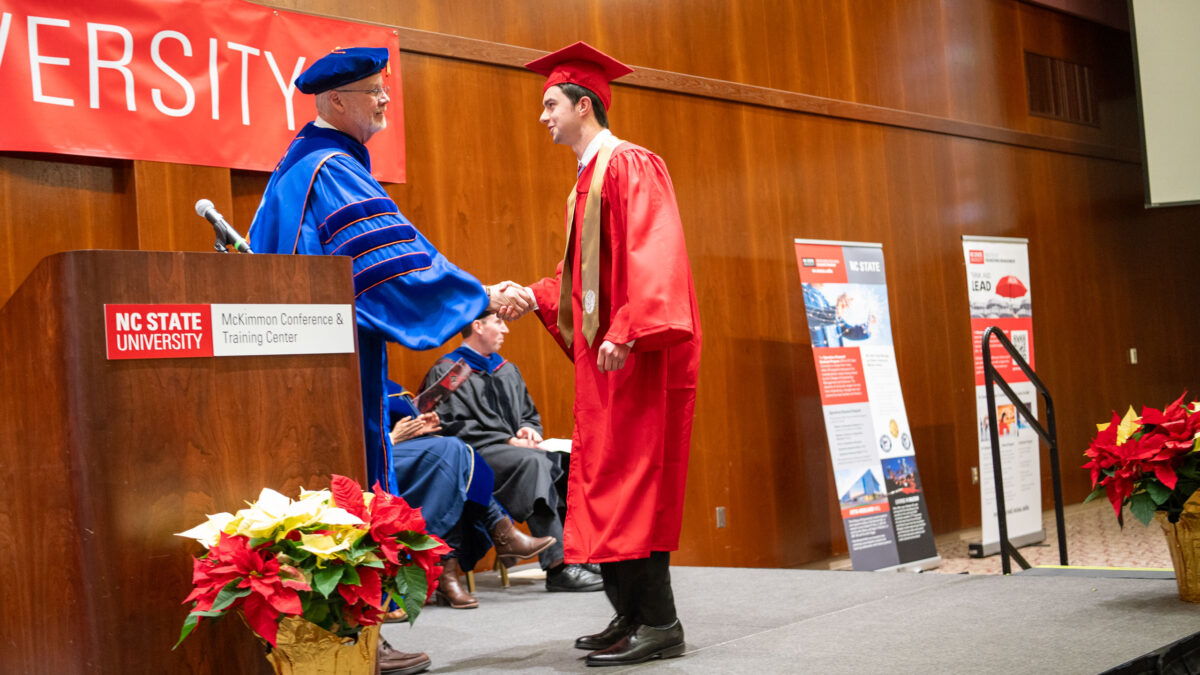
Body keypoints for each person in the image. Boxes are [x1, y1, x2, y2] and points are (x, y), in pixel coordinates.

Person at [246, 47, 531, 675]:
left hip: (306, 367)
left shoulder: (298, 170)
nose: (384, 101)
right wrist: (481, 295)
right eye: (374, 91)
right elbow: (394, 265)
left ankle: (340, 641)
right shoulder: (331, 169)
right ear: (335, 101)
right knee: (344, 486)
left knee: (319, 490)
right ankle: (353, 644)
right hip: (332, 370)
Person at [507, 42, 703, 667]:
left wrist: (625, 330)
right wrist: (529, 295)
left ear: (583, 105)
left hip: (637, 356)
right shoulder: (585, 182)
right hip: (608, 364)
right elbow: (579, 279)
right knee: (607, 482)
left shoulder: (631, 165)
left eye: (551, 104)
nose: (543, 117)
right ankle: (629, 616)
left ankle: (662, 623)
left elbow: (655, 254)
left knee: (635, 482)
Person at [424, 310, 604, 592]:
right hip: (476, 455)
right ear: (477, 326)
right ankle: (558, 567)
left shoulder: (506, 369)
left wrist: (528, 429)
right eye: (499, 322)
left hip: (514, 451)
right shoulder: (450, 371)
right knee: (532, 464)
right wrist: (508, 440)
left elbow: (529, 414)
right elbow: (448, 425)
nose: (505, 330)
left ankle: (581, 555)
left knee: (568, 461)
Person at [385, 382, 556, 609]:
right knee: (455, 453)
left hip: (409, 452)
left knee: (454, 457)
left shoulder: (379, 379)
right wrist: (391, 437)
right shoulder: (345, 382)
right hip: (379, 458)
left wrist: (419, 426)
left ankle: (451, 574)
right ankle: (499, 534)